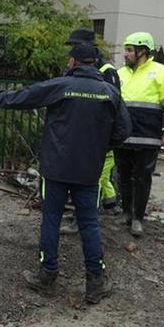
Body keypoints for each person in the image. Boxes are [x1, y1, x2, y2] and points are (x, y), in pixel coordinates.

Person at [0, 43, 130, 303]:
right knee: (89, 223)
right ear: (95, 62)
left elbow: (24, 97)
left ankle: (47, 275)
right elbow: (123, 132)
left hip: (55, 169)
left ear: (73, 61)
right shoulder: (109, 92)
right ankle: (95, 282)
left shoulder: (60, 86)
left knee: (51, 219)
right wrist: (99, 146)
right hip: (88, 171)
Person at [115, 32, 164, 238]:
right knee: (124, 177)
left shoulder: (162, 72)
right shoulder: (120, 74)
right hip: (122, 136)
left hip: (147, 136)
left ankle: (138, 218)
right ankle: (126, 213)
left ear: (142, 51)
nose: (125, 54)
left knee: (142, 178)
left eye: (129, 50)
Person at [65, 28, 121, 215]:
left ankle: (85, 218)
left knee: (94, 180)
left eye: (75, 45)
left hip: (96, 137)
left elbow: (113, 107)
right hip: (78, 135)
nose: (72, 50)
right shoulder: (73, 69)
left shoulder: (107, 71)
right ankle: (81, 216)